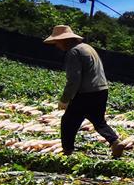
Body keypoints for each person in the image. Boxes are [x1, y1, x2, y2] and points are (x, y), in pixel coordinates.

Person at [42, 25, 125, 158]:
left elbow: (74, 79)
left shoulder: (73, 52)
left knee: (68, 121)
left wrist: (65, 99)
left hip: (86, 92)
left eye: (57, 42)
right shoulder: (88, 48)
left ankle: (67, 151)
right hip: (102, 90)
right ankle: (115, 142)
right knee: (98, 121)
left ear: (64, 40)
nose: (57, 46)